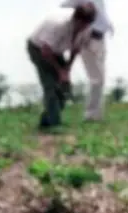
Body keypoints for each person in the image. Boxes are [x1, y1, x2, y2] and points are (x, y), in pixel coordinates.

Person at [27, 3, 97, 131]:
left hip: (56, 51)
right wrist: (60, 71)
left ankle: (46, 120)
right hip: (38, 48)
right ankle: (55, 124)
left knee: (65, 87)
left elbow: (76, 50)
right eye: (83, 23)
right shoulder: (59, 24)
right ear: (77, 19)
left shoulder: (87, 29)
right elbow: (45, 50)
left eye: (89, 23)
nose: (85, 26)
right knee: (51, 85)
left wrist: (67, 69)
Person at [61, 0, 113, 122]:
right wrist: (83, 6)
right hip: (90, 37)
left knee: (100, 79)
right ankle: (91, 115)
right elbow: (65, 4)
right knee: (97, 79)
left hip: (100, 38)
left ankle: (96, 113)